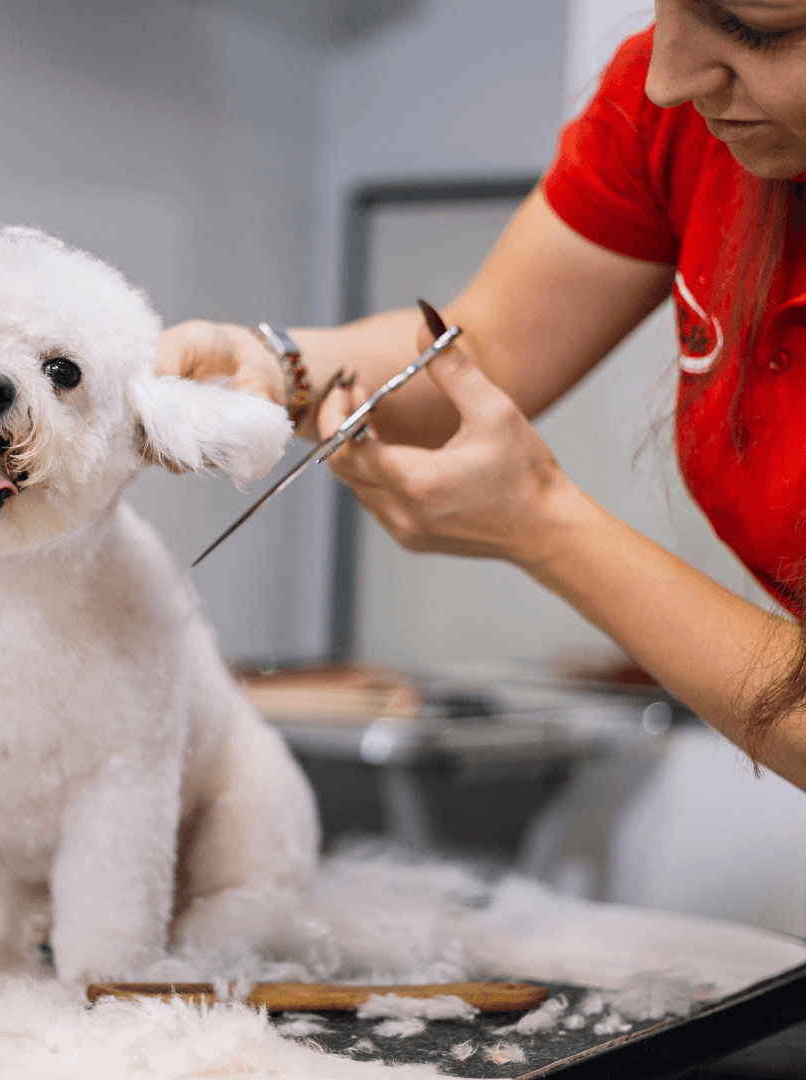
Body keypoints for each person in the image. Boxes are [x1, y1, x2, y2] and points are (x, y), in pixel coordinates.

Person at [156, 0, 806, 792]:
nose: (668, 78)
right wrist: (272, 363)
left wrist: (545, 528)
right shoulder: (668, 113)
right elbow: (487, 348)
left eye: (754, 29)